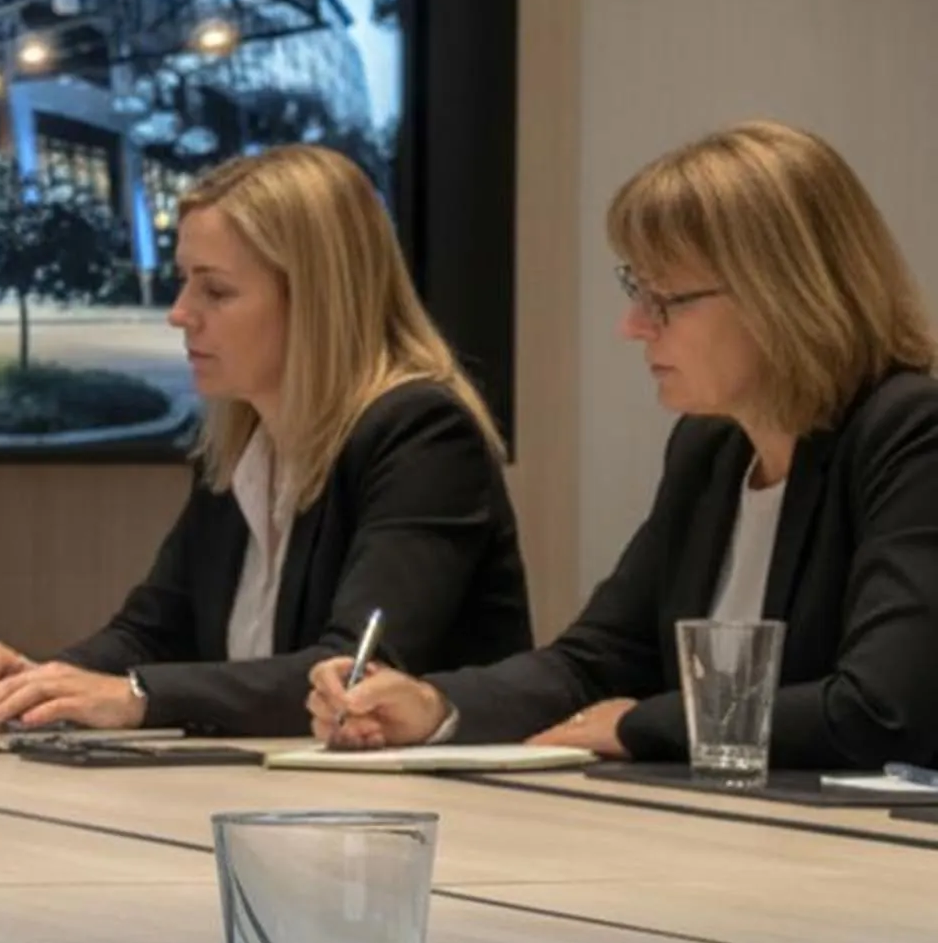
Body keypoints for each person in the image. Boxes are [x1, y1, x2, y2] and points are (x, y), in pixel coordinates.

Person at [313, 120, 938, 770]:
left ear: (782, 295)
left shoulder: (910, 434)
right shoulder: (710, 453)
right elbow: (595, 663)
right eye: (636, 291)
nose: (633, 326)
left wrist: (645, 724)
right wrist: (433, 705)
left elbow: (885, 711)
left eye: (665, 298)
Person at [0, 145, 530, 737]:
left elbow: (350, 674)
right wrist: (35, 683)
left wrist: (137, 697)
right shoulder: (241, 446)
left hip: (431, 811)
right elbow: (152, 633)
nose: (180, 314)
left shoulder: (423, 435)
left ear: (315, 300)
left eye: (216, 291)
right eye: (185, 283)